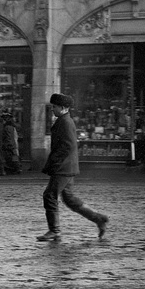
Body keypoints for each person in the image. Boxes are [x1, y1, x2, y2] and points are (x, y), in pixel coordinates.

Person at [37, 93, 109, 241]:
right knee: (70, 199)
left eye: (54, 107)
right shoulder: (64, 120)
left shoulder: (65, 122)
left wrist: (54, 163)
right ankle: (99, 219)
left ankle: (54, 230)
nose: (53, 109)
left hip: (63, 168)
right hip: (67, 167)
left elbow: (67, 146)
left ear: (63, 108)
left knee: (49, 195)